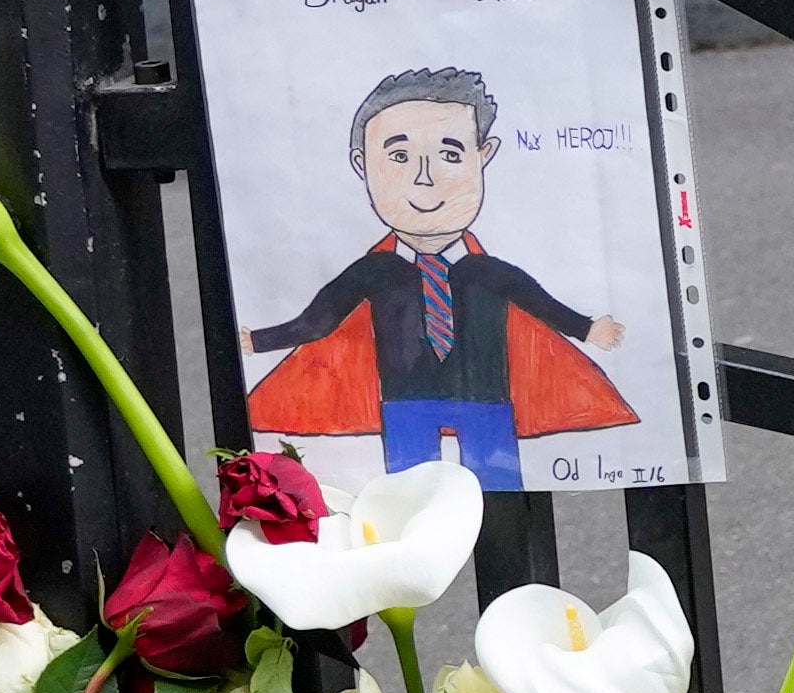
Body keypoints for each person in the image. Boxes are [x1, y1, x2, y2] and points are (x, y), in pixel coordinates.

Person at [243, 62, 639, 485]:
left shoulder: (487, 272)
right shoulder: (376, 271)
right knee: (409, 492)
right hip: (404, 402)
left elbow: (541, 306)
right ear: (362, 164)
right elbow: (318, 321)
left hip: (486, 399)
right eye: (398, 156)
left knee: (497, 491)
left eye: (450, 155)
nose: (424, 178)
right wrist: (257, 341)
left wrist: (587, 328)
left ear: (484, 157)